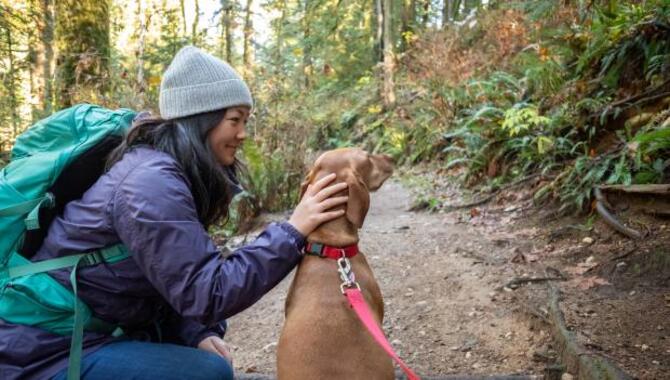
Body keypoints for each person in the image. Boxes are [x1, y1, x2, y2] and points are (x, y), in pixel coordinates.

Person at [0, 46, 348, 380]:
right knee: (207, 373)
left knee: (206, 334)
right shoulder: (149, 183)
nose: (242, 134)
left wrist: (194, 332)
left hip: (98, 326)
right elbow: (209, 292)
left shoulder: (166, 170)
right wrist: (293, 231)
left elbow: (175, 278)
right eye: (235, 120)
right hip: (43, 351)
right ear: (202, 119)